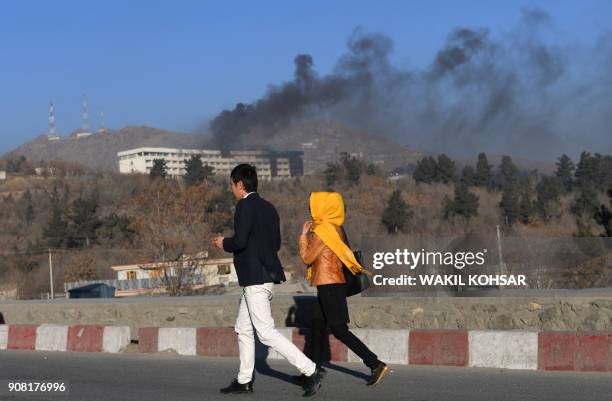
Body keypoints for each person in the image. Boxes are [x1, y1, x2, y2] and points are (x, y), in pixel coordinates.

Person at [213, 164, 323, 397]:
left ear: (240, 185)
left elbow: (240, 241)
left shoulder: (244, 205)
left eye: (232, 185)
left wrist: (224, 243)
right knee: (243, 328)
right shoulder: (269, 207)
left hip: (254, 279)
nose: (232, 189)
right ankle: (244, 380)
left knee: (265, 332)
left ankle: (311, 369)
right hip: (265, 276)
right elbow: (275, 245)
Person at [297, 191, 388, 386]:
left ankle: (374, 363)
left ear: (324, 208)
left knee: (339, 330)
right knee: (317, 326)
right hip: (329, 283)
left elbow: (307, 258)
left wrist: (304, 236)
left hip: (329, 285)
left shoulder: (323, 231)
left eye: (313, 205)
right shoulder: (336, 227)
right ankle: (310, 372)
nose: (310, 209)